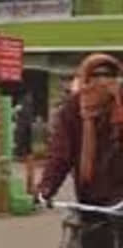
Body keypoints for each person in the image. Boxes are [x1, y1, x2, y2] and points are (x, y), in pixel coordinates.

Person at [37, 53, 123, 247]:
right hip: (90, 199)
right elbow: (60, 155)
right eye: (96, 76)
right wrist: (47, 188)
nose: (103, 82)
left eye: (109, 76)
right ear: (85, 78)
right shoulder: (73, 110)